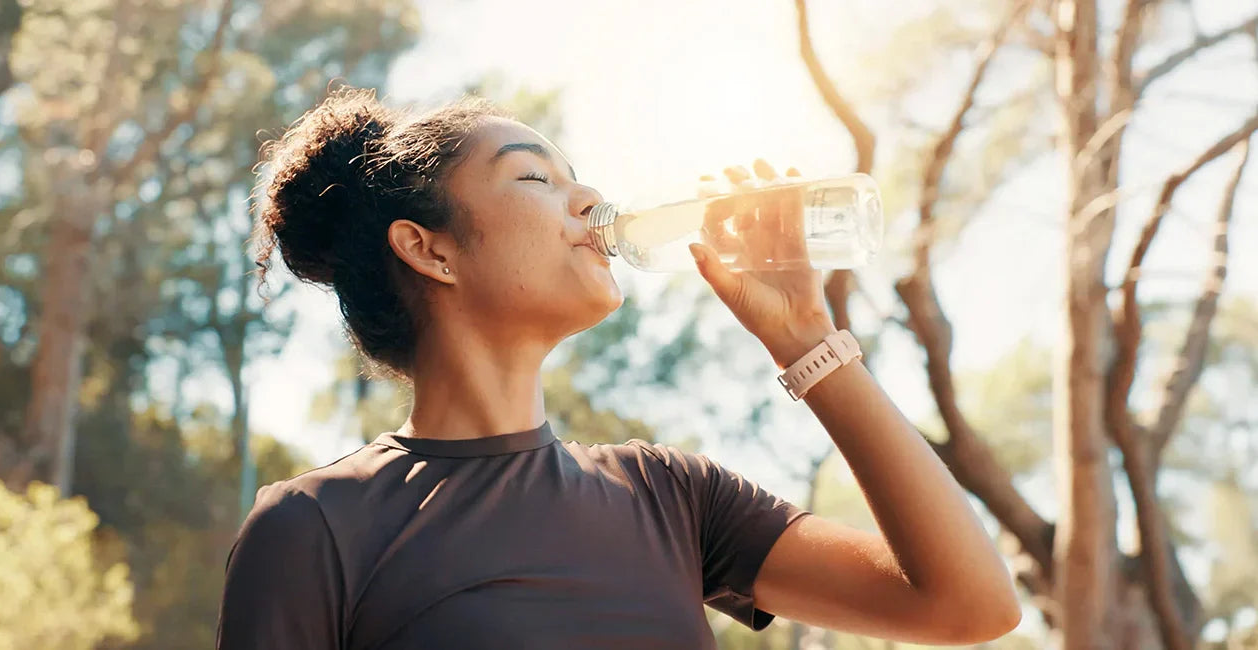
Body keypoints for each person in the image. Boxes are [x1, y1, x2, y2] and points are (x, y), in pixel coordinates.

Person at [218, 87, 1021, 649]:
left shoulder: (673, 495)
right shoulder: (315, 527)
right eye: (535, 177)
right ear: (430, 250)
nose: (588, 199)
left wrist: (806, 337)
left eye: (577, 178)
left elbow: (969, 606)